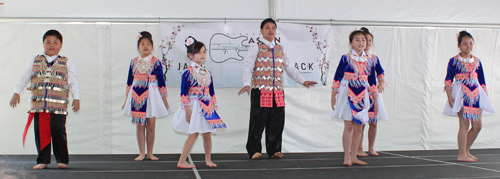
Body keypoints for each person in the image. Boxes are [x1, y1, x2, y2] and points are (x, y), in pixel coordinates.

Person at [238, 18, 317, 159]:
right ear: (261, 30)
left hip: (277, 91)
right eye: (267, 27)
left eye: (273, 28)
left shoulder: (281, 48)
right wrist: (246, 84)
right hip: (260, 90)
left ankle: (274, 150)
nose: (270, 30)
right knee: (258, 121)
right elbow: (247, 67)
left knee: (277, 121)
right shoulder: (256, 47)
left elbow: (290, 68)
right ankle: (254, 150)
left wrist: (303, 81)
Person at [9, 29, 80, 169]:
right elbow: (24, 76)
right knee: (41, 131)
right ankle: (42, 160)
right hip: (39, 104)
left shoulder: (66, 61)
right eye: (48, 42)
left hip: (58, 105)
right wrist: (17, 92)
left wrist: (76, 98)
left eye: (55, 42)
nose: (51, 45)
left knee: (58, 130)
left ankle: (62, 160)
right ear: (43, 44)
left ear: (61, 45)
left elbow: (73, 80)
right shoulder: (35, 60)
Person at [172, 36, 226, 168]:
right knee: (194, 133)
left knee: (207, 134)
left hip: (206, 106)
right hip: (194, 106)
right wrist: (187, 110)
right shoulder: (187, 73)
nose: (202, 55)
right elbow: (184, 92)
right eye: (198, 52)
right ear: (190, 55)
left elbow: (211, 90)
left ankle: (208, 159)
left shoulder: (207, 73)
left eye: (204, 52)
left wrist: (212, 104)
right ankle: (182, 161)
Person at [443, 31, 495, 162]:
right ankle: (462, 154)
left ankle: (465, 150)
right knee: (464, 125)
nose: (468, 46)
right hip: (461, 94)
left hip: (475, 95)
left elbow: (482, 81)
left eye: (471, 43)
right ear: (459, 45)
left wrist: (485, 96)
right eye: (465, 43)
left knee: (477, 126)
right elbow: (448, 79)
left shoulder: (477, 61)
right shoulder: (454, 61)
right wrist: (449, 96)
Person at [331, 29, 378, 166]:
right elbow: (337, 76)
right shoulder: (345, 58)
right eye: (357, 40)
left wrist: (375, 99)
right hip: (347, 93)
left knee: (359, 126)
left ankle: (354, 156)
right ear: (351, 43)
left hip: (363, 95)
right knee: (348, 125)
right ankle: (346, 156)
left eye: (363, 40)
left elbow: (372, 80)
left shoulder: (369, 60)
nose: (361, 42)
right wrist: (333, 95)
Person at [122, 31, 171, 161]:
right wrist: (126, 99)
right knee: (139, 125)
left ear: (152, 46)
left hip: (152, 95)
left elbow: (161, 81)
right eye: (142, 44)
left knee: (151, 125)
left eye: (148, 44)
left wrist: (164, 100)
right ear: (138, 47)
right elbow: (129, 81)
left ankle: (150, 152)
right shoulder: (133, 62)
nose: (145, 46)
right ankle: (142, 153)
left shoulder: (156, 62)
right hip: (137, 94)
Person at [357, 27, 388, 157]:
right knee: (361, 124)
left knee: (373, 122)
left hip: (373, 93)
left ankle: (371, 147)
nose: (368, 42)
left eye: (370, 40)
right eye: (365, 40)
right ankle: (359, 148)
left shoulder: (374, 58)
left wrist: (381, 82)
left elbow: (380, 72)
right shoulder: (357, 58)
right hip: (360, 94)